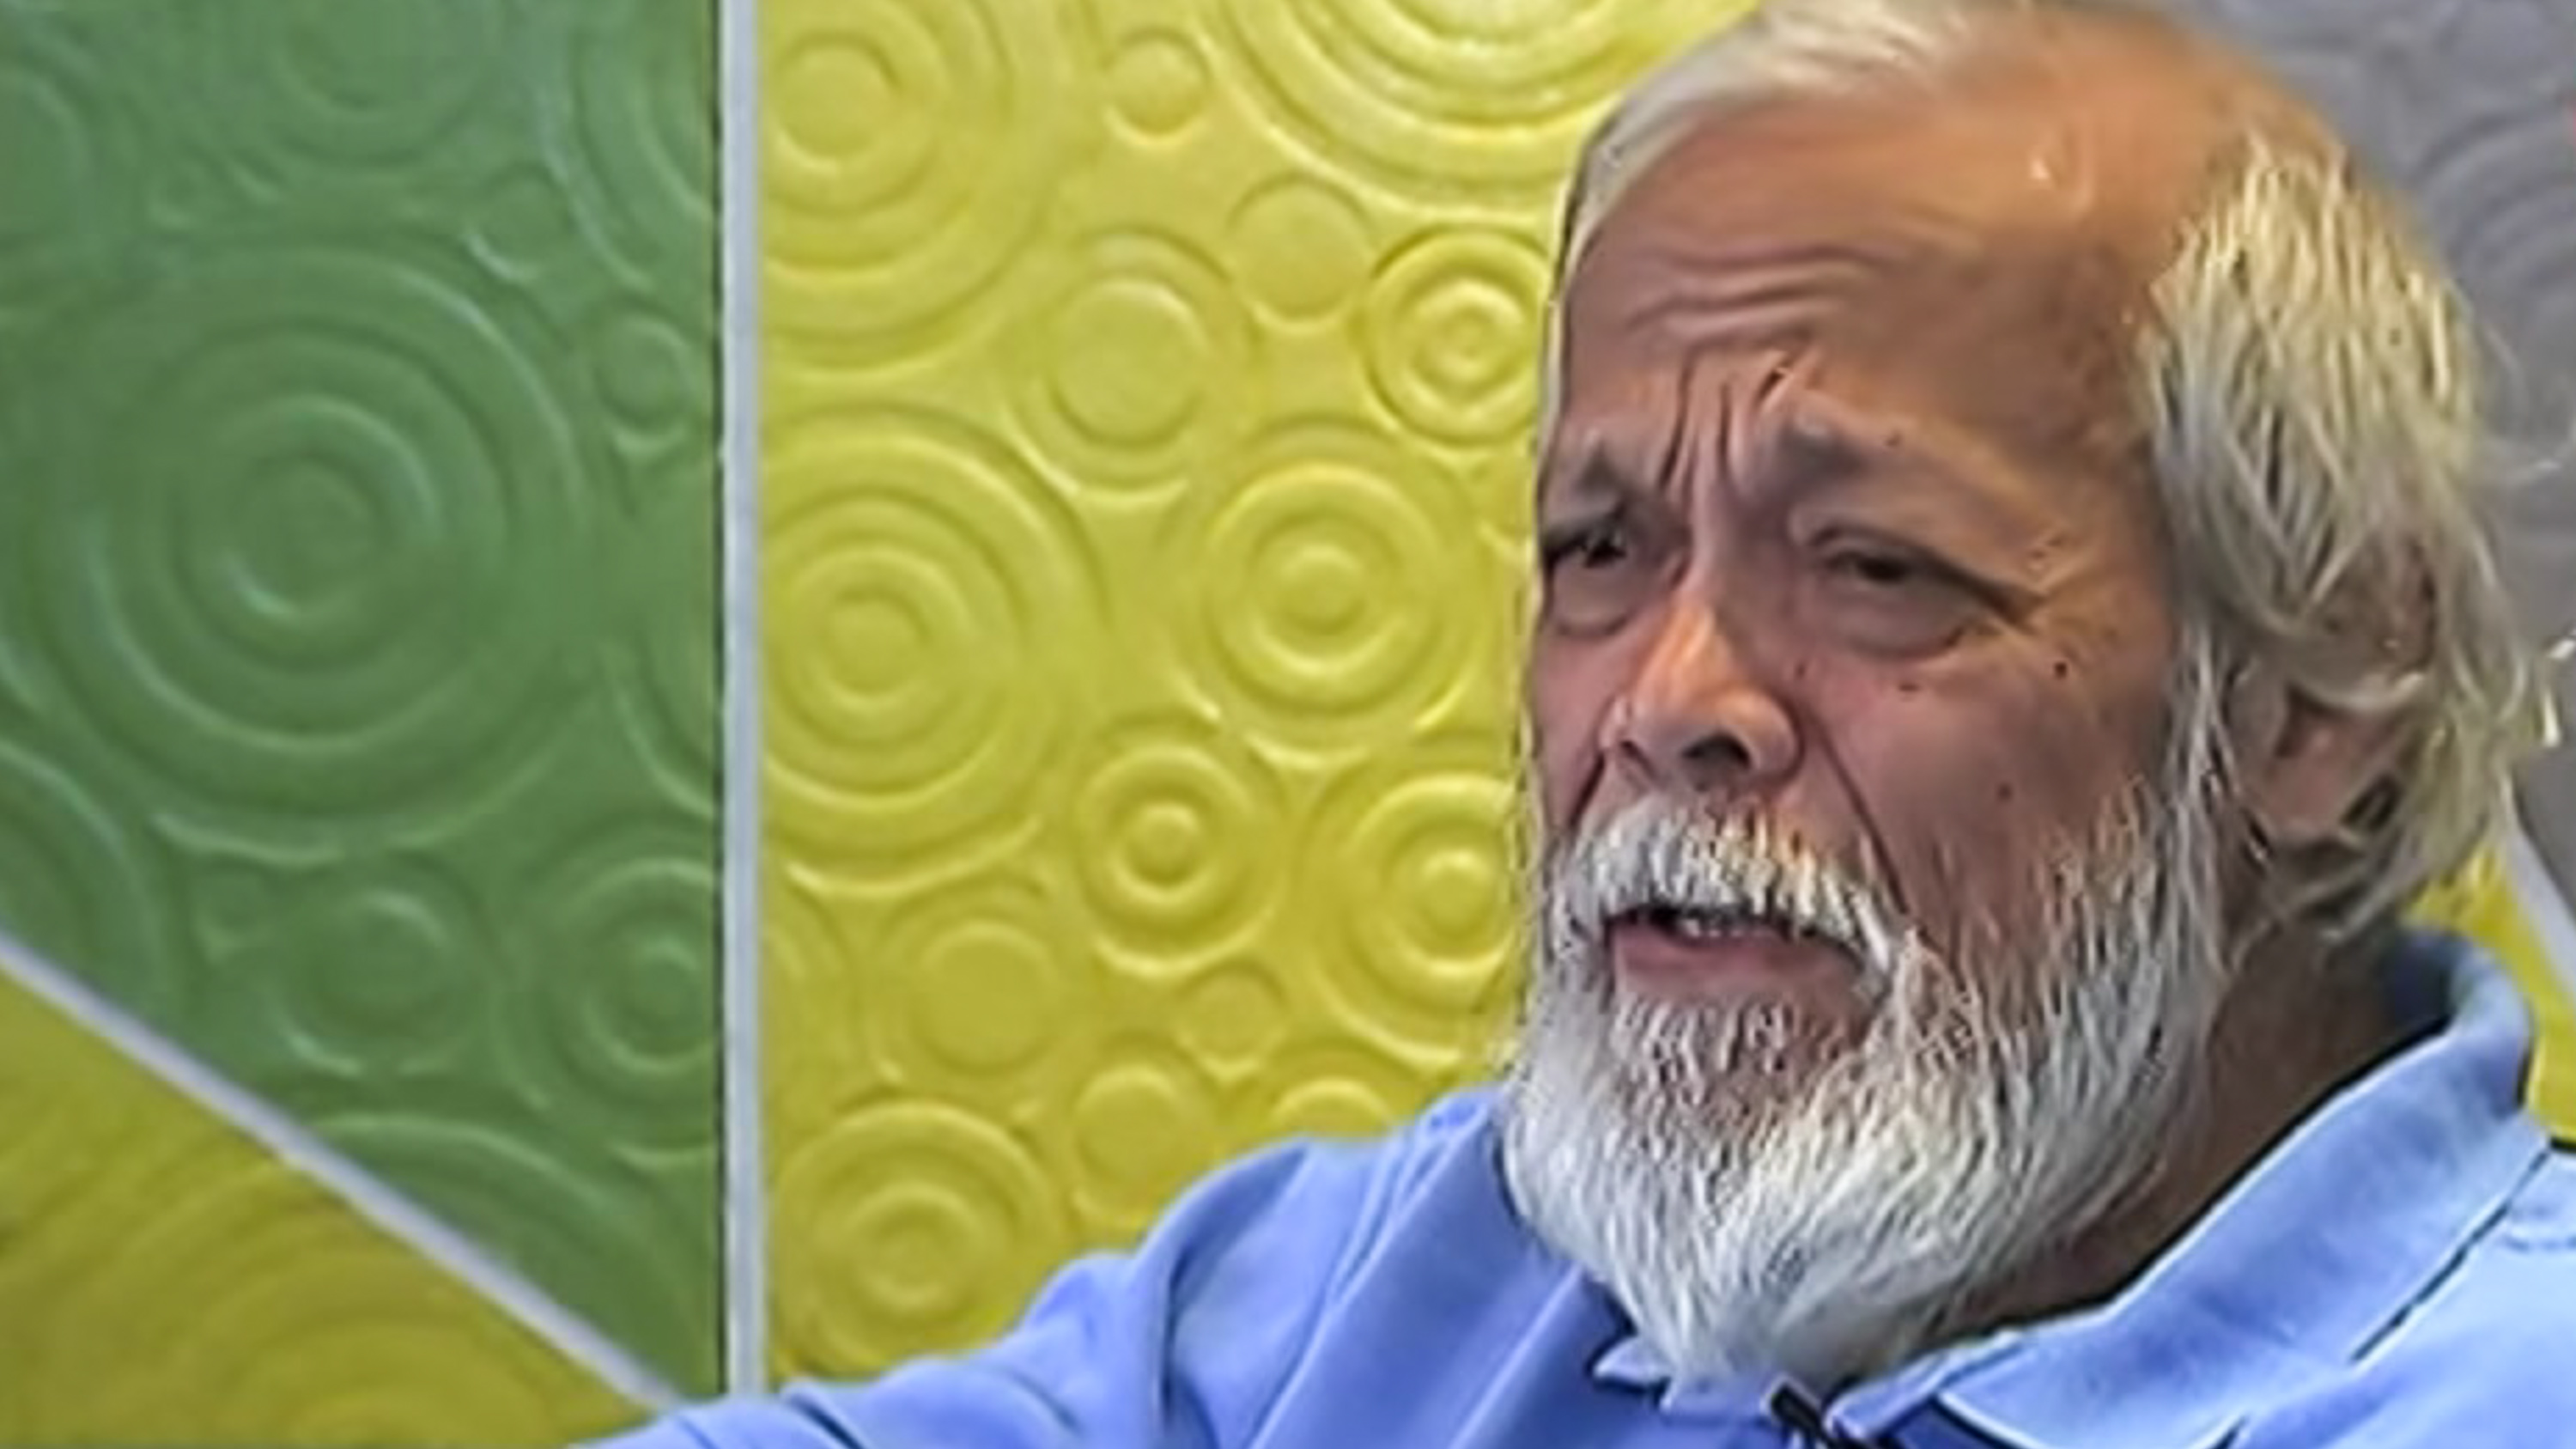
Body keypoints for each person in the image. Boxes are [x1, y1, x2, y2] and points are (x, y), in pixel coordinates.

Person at [598, 0, 2576, 1443]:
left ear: (2317, 697)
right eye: (1599, 549)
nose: (1670, 698)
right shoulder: (1456, 1266)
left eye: (1876, 566)